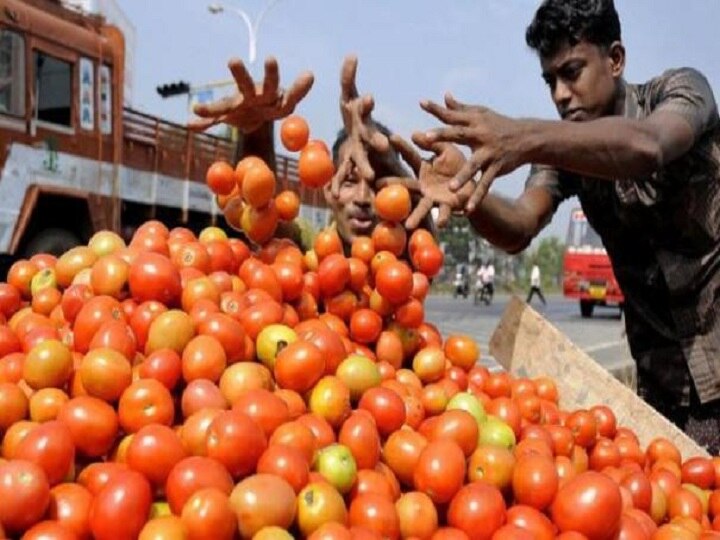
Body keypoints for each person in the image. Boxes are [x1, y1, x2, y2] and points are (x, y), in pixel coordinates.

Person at [404, 0, 720, 453]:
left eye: (571, 72)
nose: (559, 94)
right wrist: (469, 195)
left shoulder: (681, 92)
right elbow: (520, 225)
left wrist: (524, 136)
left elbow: (647, 146)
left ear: (615, 59)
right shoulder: (565, 153)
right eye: (550, 80)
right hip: (662, 391)